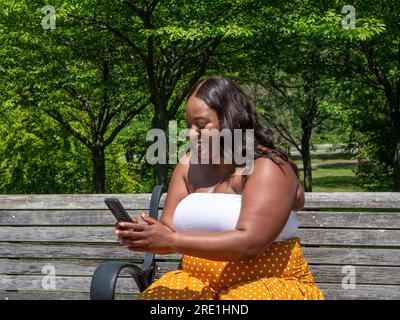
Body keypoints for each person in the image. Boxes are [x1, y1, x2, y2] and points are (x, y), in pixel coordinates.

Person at [114, 76, 324, 300]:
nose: (190, 133)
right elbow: (168, 231)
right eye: (188, 126)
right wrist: (145, 235)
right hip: (197, 283)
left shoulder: (268, 167)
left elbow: (250, 243)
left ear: (229, 121)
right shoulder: (188, 165)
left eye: (201, 126)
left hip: (265, 283)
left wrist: (172, 242)